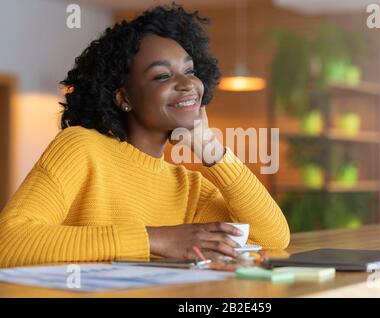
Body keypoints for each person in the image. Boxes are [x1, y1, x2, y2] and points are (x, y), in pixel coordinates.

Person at [0, 3, 290, 268]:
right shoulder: (81, 148)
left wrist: (212, 151)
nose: (187, 84)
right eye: (162, 76)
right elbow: (9, 243)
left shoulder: (189, 187)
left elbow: (274, 238)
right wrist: (156, 239)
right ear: (124, 97)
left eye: (189, 71)